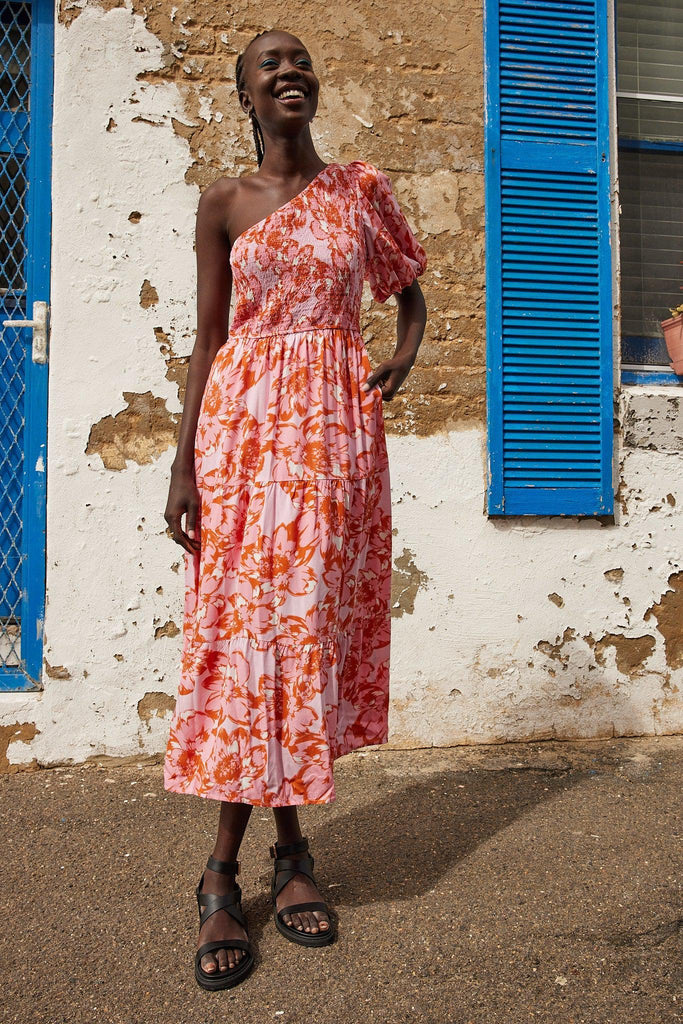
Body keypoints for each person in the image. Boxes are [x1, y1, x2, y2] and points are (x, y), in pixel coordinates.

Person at [163, 27, 428, 990]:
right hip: (240, 434)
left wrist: (402, 352)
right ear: (245, 95)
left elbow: (410, 288)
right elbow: (204, 337)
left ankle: (265, 862)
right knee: (249, 639)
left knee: (300, 633)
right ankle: (242, 866)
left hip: (331, 438)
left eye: (302, 62)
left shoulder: (360, 190)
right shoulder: (224, 203)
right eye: (268, 65)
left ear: (316, 88)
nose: (289, 72)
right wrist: (182, 464)